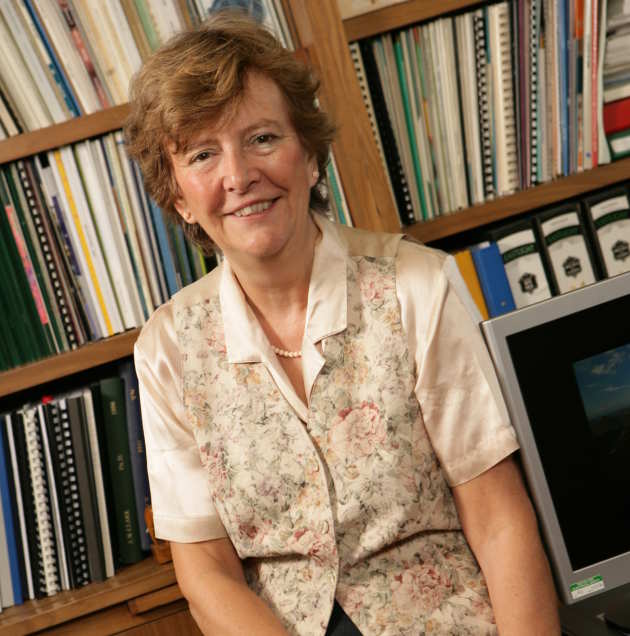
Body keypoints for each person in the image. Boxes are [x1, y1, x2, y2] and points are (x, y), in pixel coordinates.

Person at [125, 10, 561, 636]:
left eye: (263, 139)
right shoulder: (166, 349)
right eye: (202, 153)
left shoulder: (418, 285)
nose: (239, 175)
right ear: (178, 198)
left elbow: (498, 520)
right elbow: (206, 571)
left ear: (309, 156)